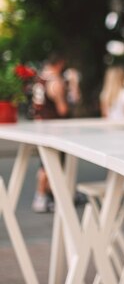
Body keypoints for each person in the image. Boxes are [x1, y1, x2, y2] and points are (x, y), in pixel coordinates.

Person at [31, 53, 70, 212]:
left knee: (45, 162)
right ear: (60, 63)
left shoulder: (40, 79)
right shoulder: (55, 81)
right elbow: (62, 109)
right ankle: (41, 196)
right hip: (53, 128)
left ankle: (48, 195)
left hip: (40, 124)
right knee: (50, 164)